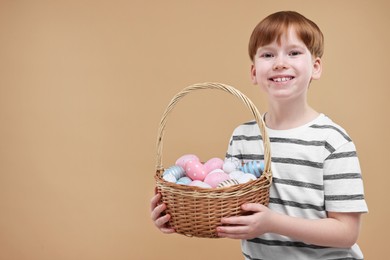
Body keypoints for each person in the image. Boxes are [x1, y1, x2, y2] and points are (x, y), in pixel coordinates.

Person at [151, 11, 368, 259]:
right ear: (254, 72)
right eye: (268, 54)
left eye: (294, 53)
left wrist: (272, 223)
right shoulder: (243, 137)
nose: (279, 63)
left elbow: (347, 232)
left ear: (315, 67)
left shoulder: (332, 142)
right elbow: (226, 207)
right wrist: (176, 215)